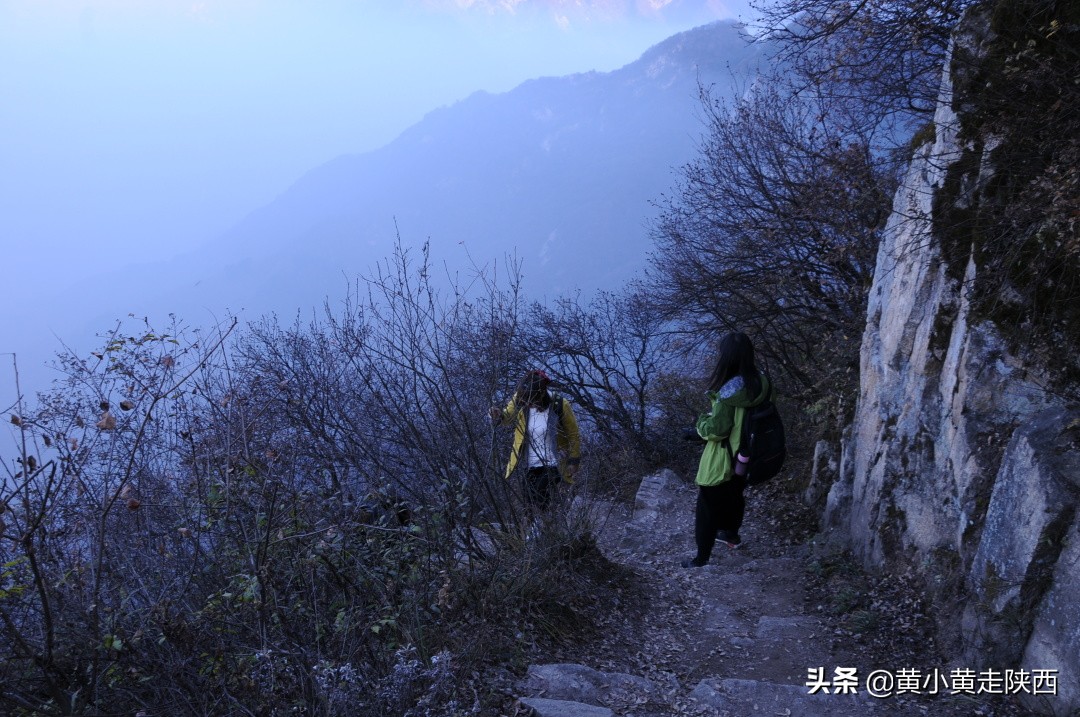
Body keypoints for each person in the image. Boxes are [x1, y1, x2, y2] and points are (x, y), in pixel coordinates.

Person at [682, 332, 774, 568]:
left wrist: (700, 423)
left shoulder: (727, 393)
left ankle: (701, 559)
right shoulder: (761, 383)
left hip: (723, 457)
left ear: (726, 358)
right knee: (735, 494)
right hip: (747, 455)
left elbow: (717, 429)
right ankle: (730, 534)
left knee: (706, 505)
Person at [490, 369, 582, 512]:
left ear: (540, 395)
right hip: (530, 462)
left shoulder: (559, 405)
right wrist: (497, 415)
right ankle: (539, 529)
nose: (528, 405)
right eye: (525, 402)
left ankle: (541, 529)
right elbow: (507, 417)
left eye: (531, 402)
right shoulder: (521, 398)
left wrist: (573, 461)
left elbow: (573, 433)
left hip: (554, 462)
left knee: (540, 499)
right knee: (529, 501)